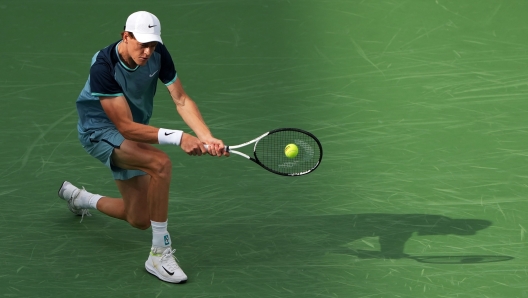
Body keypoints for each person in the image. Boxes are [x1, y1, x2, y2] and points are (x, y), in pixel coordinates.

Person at [58, 11, 227, 284]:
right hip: (99, 131)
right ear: (126, 36)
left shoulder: (158, 54)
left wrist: (206, 136)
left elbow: (181, 99)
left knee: (139, 218)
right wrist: (179, 137)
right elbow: (124, 127)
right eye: (142, 44)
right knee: (160, 164)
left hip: (135, 131)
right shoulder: (103, 66)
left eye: (153, 45)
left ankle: (80, 198)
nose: (148, 51)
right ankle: (159, 255)